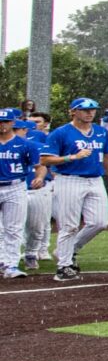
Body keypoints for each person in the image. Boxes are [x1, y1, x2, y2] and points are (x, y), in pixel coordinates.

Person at [38, 97, 108, 282]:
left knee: (100, 222)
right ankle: (64, 266)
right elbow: (45, 160)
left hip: (95, 179)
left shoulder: (100, 132)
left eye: (92, 109)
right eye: (84, 109)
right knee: (69, 225)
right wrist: (72, 157)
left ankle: (67, 250)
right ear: (73, 111)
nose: (90, 112)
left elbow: (107, 156)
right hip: (69, 179)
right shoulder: (61, 133)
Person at [0, 109, 40, 279]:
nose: (2, 125)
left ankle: (11, 264)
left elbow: (39, 165)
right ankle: (4, 261)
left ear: (12, 123)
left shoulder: (26, 144)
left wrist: (39, 177)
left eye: (6, 121)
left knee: (14, 228)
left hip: (15, 186)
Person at [18, 112, 56, 274]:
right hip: (11, 189)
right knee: (8, 228)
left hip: (36, 190)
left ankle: (31, 253)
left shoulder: (37, 145)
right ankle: (6, 258)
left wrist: (44, 178)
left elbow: (45, 165)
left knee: (37, 226)